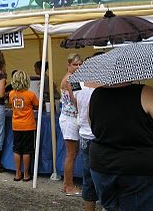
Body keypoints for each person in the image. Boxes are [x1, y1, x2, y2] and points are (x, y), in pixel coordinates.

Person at [89, 82, 153, 211]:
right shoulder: (145, 92)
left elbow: (92, 126)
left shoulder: (96, 93)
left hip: (103, 165)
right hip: (140, 168)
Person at [58, 53, 83, 196]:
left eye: (80, 64)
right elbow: (77, 100)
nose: (78, 67)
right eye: (75, 64)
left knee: (72, 153)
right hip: (70, 119)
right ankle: (69, 186)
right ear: (68, 65)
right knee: (71, 154)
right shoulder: (71, 79)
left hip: (69, 118)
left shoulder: (70, 78)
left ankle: (67, 184)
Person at [75, 81, 101, 211]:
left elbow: (75, 104)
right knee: (104, 176)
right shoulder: (104, 87)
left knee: (88, 177)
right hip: (98, 135)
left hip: (84, 133)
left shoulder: (78, 85)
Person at [9, 70, 39, 182]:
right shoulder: (30, 94)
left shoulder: (12, 94)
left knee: (17, 149)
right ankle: (26, 174)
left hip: (16, 125)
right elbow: (37, 105)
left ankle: (17, 173)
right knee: (27, 150)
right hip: (28, 126)